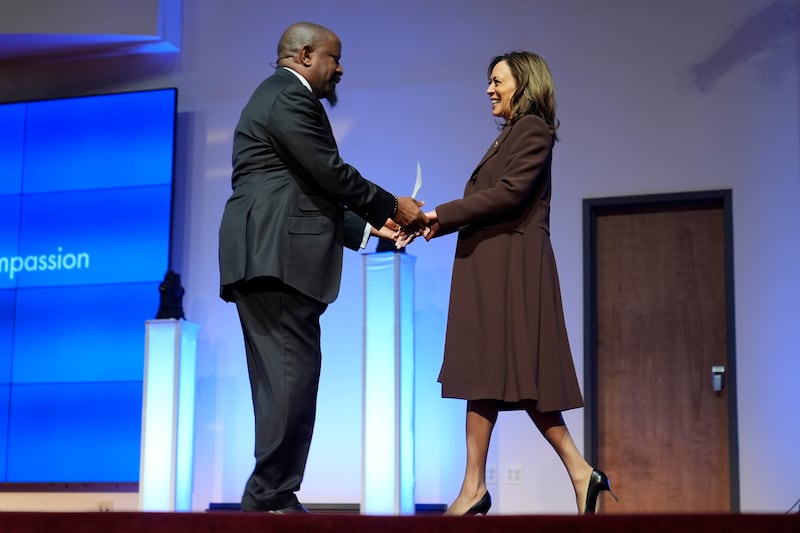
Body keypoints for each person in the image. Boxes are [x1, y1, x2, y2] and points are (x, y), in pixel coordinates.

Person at [217, 21, 427, 514]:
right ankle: (269, 496)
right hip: (277, 256)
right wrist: (393, 206)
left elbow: (301, 184)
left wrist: (367, 230)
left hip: (266, 253)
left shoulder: (274, 97)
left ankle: (271, 496)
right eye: (334, 58)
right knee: (292, 378)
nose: (340, 68)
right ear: (306, 55)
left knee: (283, 381)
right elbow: (327, 172)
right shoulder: (290, 98)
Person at [419, 51, 617, 515]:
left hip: (511, 265)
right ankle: (489, 484)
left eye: (497, 81)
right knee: (485, 373)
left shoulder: (532, 129)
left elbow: (509, 193)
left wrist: (438, 216)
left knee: (515, 374)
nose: (489, 89)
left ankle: (557, 475)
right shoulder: (512, 132)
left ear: (524, 84)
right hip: (492, 262)